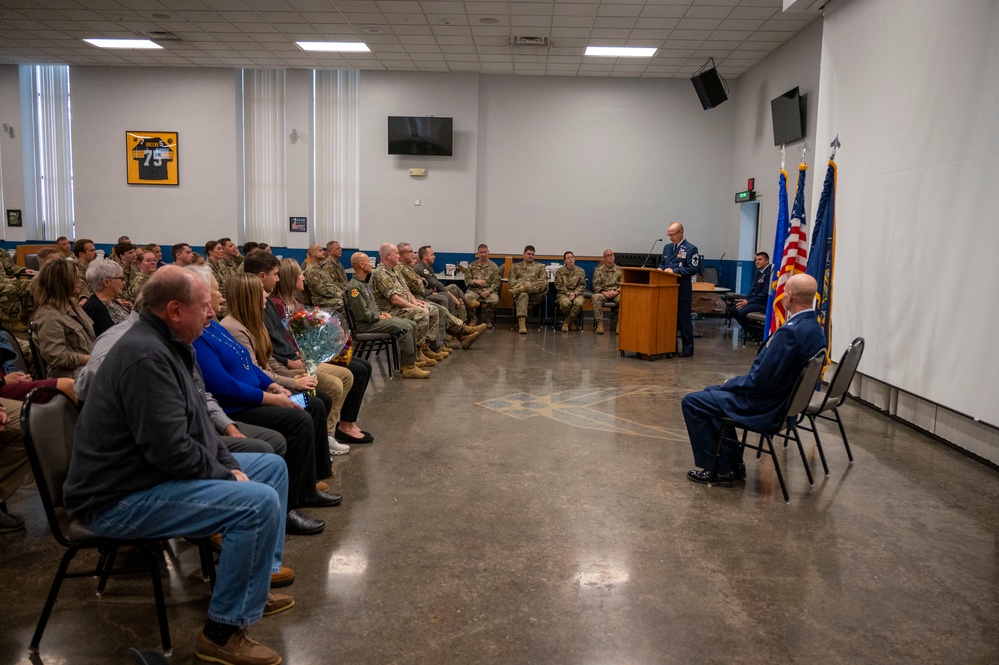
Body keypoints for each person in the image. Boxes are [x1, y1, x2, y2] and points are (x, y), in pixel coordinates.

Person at [61, 266, 291, 665]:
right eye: (204, 306)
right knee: (257, 502)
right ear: (174, 310)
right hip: (116, 499)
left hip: (146, 477)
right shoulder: (145, 356)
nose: (211, 314)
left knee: (270, 469)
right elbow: (168, 449)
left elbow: (200, 425)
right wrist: (226, 474)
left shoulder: (170, 344)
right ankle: (222, 633)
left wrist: (226, 465)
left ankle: (256, 580)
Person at [682, 274, 825, 485]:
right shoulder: (814, 328)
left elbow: (760, 382)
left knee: (692, 402)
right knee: (708, 395)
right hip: (785, 403)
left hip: (766, 406)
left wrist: (729, 384)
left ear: (790, 296)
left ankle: (718, 469)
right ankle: (731, 465)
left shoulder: (791, 333)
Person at [223, 270, 351, 457]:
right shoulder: (235, 329)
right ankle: (314, 467)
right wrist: (292, 382)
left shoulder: (252, 323)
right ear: (249, 295)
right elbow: (255, 372)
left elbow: (270, 361)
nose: (266, 294)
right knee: (313, 404)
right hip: (257, 399)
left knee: (319, 401)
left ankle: (318, 460)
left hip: (271, 387)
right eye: (261, 291)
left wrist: (294, 376)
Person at [272, 258, 375, 445]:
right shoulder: (278, 306)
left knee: (363, 366)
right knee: (357, 371)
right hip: (297, 360)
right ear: (289, 278)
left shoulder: (294, 301)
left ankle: (345, 422)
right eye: (299, 274)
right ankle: (340, 426)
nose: (303, 277)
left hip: (306, 355)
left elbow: (307, 331)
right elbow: (285, 342)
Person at [344, 252, 429, 379]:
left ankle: (408, 362)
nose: (371, 264)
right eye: (368, 262)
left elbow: (370, 306)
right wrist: (378, 317)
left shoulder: (363, 283)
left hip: (372, 320)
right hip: (365, 325)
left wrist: (380, 313)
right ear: (361, 264)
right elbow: (362, 314)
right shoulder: (354, 288)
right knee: (404, 327)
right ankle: (409, 367)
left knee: (411, 324)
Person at [30, 259, 95, 379]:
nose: (81, 281)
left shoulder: (73, 306)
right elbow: (56, 356)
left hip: (86, 369)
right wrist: (92, 359)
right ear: (62, 282)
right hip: (70, 377)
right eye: (76, 278)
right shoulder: (49, 316)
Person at [657, 222, 699, 356]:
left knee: (683, 320)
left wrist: (674, 271)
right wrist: (660, 269)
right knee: (669, 320)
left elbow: (693, 269)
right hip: (667, 290)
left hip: (682, 290)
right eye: (669, 235)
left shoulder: (691, 249)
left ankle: (687, 349)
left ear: (681, 232)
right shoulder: (667, 248)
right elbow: (663, 263)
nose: (671, 238)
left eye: (673, 234)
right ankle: (670, 347)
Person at [413, 245, 468, 323]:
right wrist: (454, 298)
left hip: (432, 291)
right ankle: (452, 325)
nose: (434, 257)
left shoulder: (429, 268)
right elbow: (437, 285)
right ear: (425, 256)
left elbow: (436, 283)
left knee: (454, 290)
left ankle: (461, 323)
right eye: (432, 254)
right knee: (446, 297)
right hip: (424, 294)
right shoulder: (421, 269)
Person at [81, 258, 131, 337]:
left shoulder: (115, 302)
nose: (124, 283)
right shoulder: (94, 308)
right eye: (121, 278)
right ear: (106, 282)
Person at [508, 245, 549, 334]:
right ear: (524, 254)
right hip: (521, 294)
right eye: (528, 254)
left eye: (532, 254)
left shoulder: (540, 267)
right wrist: (520, 285)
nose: (531, 256)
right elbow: (511, 281)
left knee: (543, 283)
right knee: (523, 294)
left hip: (536, 294)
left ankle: (521, 289)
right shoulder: (516, 266)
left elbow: (544, 281)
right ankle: (522, 324)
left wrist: (525, 287)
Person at [731, 252, 773, 328]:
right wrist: (745, 300)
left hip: (763, 304)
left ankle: (755, 331)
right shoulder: (759, 273)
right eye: (756, 260)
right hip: (755, 302)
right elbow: (753, 290)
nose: (757, 262)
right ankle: (750, 329)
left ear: (767, 261)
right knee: (734, 309)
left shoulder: (769, 273)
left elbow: (765, 293)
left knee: (741, 311)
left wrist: (748, 302)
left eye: (760, 259)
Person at [463, 244, 501, 326]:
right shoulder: (472, 265)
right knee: (466, 299)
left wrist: (489, 291)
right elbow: (467, 281)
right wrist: (475, 281)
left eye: (485, 252)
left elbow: (496, 282)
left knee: (494, 300)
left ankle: (487, 318)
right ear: (478, 253)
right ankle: (473, 318)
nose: (483, 254)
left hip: (488, 290)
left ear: (488, 252)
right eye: (481, 252)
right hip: (474, 290)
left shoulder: (494, 266)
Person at [303, 244, 343, 313]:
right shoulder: (311, 270)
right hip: (321, 301)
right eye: (320, 250)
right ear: (313, 254)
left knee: (348, 301)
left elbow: (331, 284)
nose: (323, 252)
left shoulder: (321, 267)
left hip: (329, 297)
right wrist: (340, 295)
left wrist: (342, 293)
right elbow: (322, 290)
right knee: (343, 304)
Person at [591, 249, 622, 335]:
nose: (610, 257)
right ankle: (600, 323)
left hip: (616, 293)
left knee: (625, 299)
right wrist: (604, 292)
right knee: (596, 297)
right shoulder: (599, 270)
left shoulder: (620, 270)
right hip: (603, 293)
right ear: (604, 258)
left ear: (614, 256)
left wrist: (616, 292)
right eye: (608, 255)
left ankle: (620, 324)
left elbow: (623, 284)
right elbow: (596, 285)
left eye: (611, 255)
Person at [554, 251, 586, 332]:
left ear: (574, 259)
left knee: (579, 303)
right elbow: (558, 285)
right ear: (565, 261)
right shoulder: (560, 271)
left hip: (577, 293)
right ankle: (571, 323)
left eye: (572, 257)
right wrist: (568, 293)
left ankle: (567, 322)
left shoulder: (581, 271)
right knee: (565, 303)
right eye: (568, 258)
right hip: (563, 293)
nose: (570, 259)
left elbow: (582, 285)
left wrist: (574, 293)